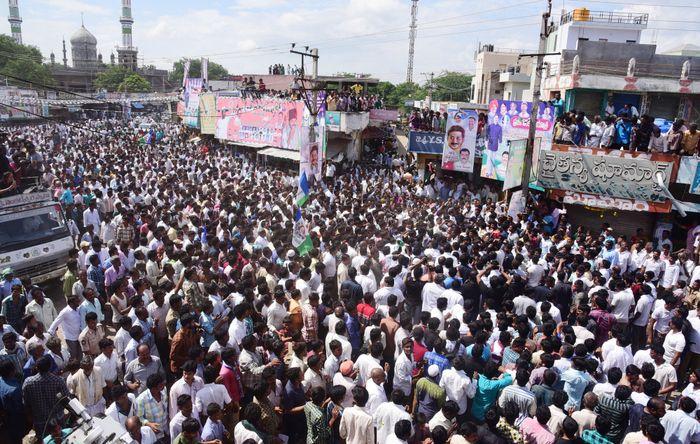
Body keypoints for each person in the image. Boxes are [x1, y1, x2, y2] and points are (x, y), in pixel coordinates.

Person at [21, 356, 69, 440]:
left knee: (45, 440)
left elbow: (26, 403)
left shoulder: (28, 382)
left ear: (37, 368)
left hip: (40, 421)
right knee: (62, 439)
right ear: (50, 367)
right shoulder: (59, 381)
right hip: (57, 419)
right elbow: (66, 400)